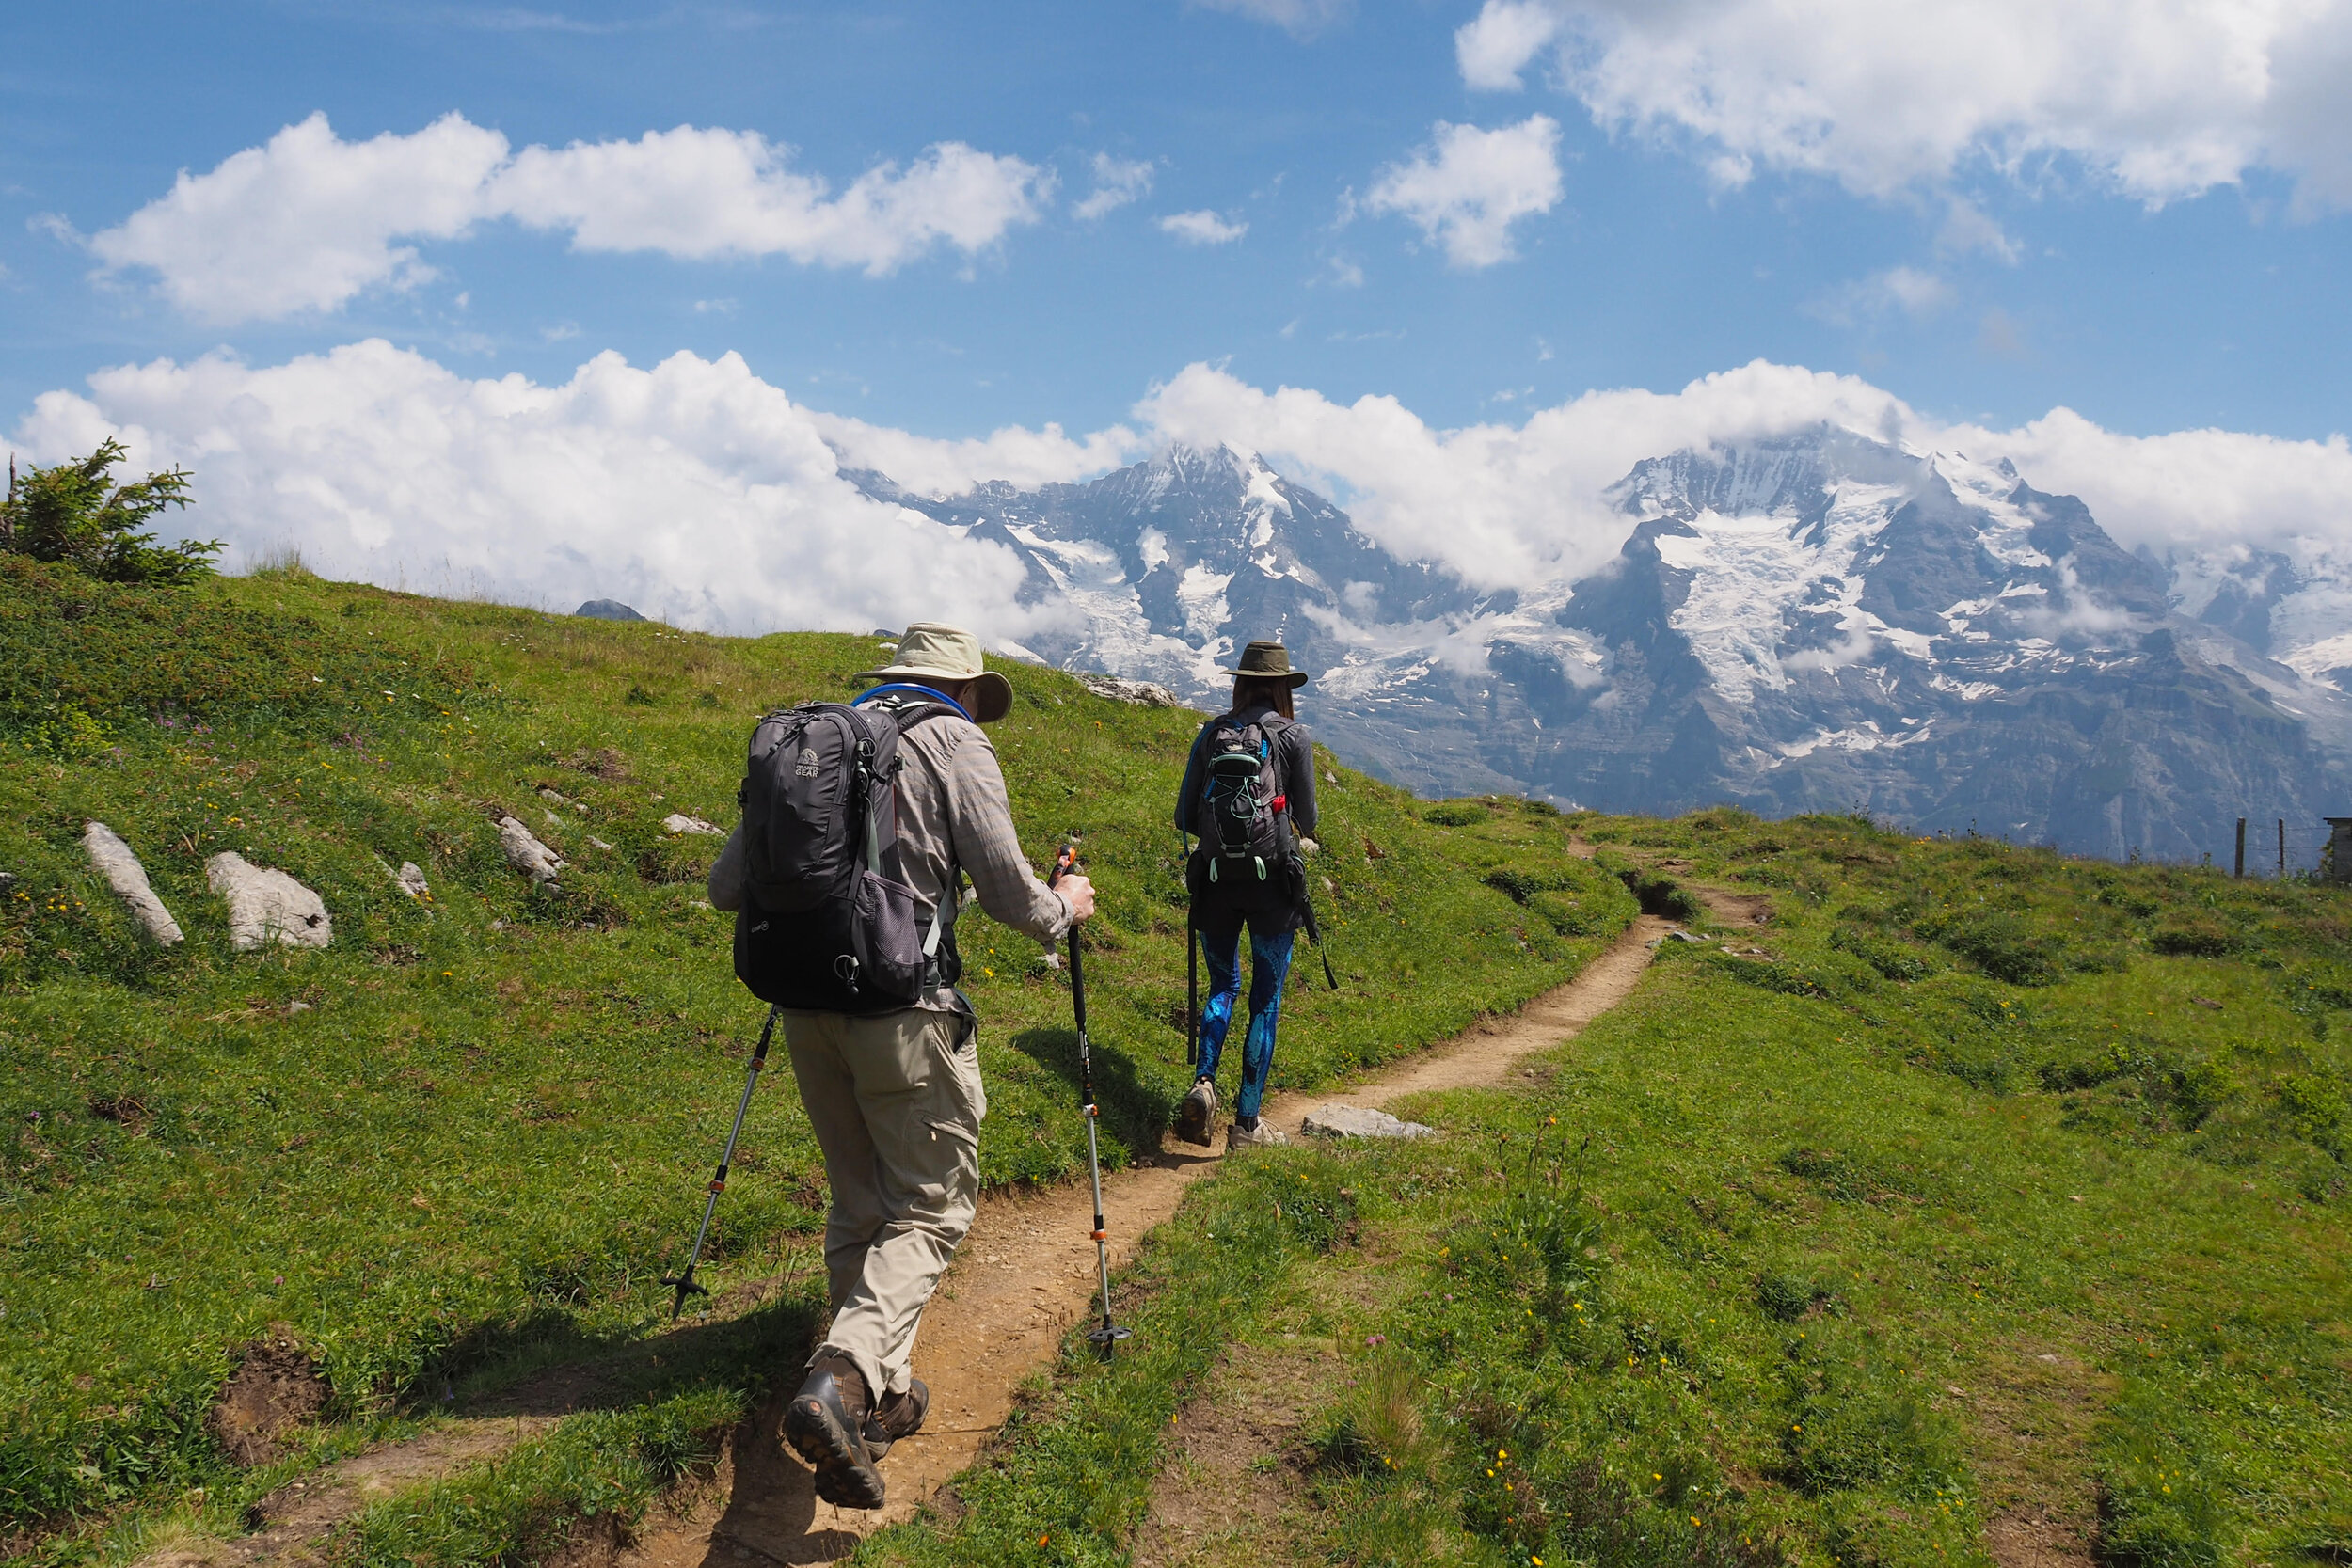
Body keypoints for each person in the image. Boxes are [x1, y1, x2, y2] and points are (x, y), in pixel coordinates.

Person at [707, 622, 1094, 1511]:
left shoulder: (816, 742)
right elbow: (1007, 893)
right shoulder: (957, 740)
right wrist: (1064, 904)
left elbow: (728, 885)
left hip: (804, 1006)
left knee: (861, 1201)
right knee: (932, 1207)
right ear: (962, 688)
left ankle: (877, 1400)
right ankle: (839, 1380)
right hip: (904, 1005)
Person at [1172, 640, 1317, 1151]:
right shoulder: (1293, 736)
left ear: (1240, 683)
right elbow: (1310, 819)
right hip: (1272, 886)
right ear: (1281, 686)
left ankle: (1203, 1083)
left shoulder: (1213, 734)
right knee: (1266, 999)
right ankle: (1247, 1125)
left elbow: (1184, 817)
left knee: (1222, 986)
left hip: (1215, 883)